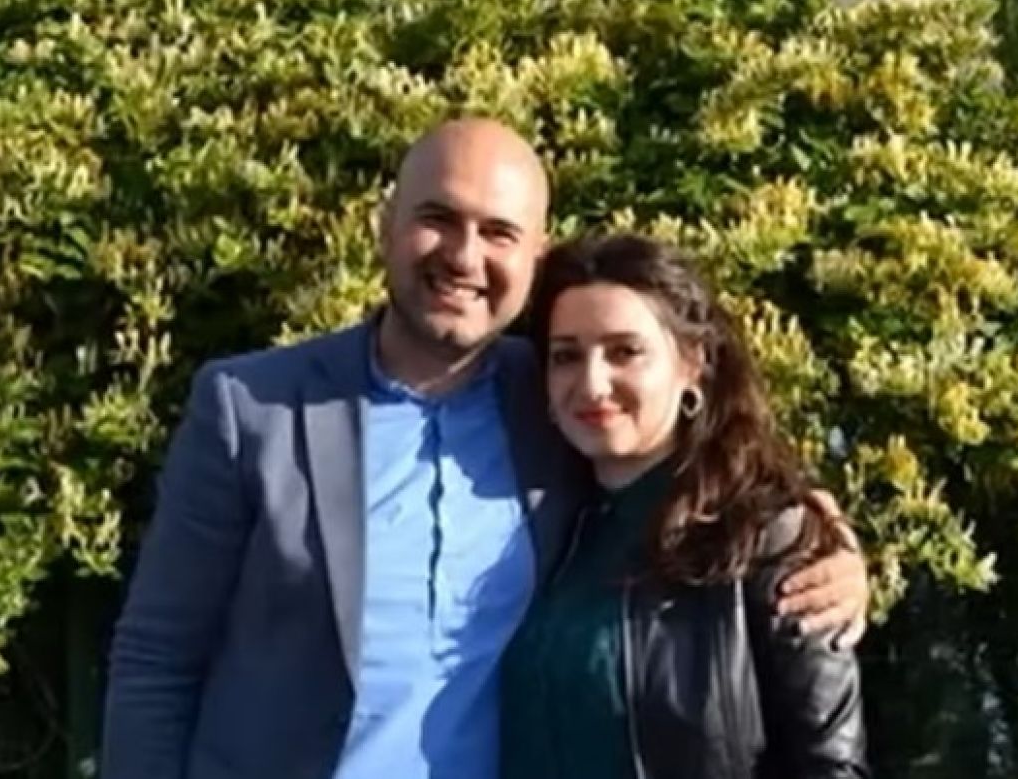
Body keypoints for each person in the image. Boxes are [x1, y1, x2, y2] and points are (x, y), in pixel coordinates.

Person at [101, 119, 869, 779]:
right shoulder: (254, 407)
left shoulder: (552, 402)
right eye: (438, 217)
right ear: (387, 225)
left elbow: (700, 470)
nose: (465, 256)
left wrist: (820, 534)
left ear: (534, 256)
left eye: (499, 232)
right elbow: (157, 658)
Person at [500, 233, 868, 779]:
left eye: (625, 351)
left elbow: (832, 766)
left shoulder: (766, 537)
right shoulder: (544, 525)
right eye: (566, 356)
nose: (592, 384)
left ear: (692, 364)